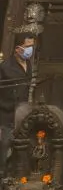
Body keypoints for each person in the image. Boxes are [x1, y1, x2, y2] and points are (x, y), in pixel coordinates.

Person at [0, 33, 34, 172]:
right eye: (27, 46)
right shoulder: (5, 67)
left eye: (32, 46)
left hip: (23, 115)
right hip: (7, 115)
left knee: (20, 150)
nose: (30, 50)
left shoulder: (29, 65)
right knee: (4, 148)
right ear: (17, 48)